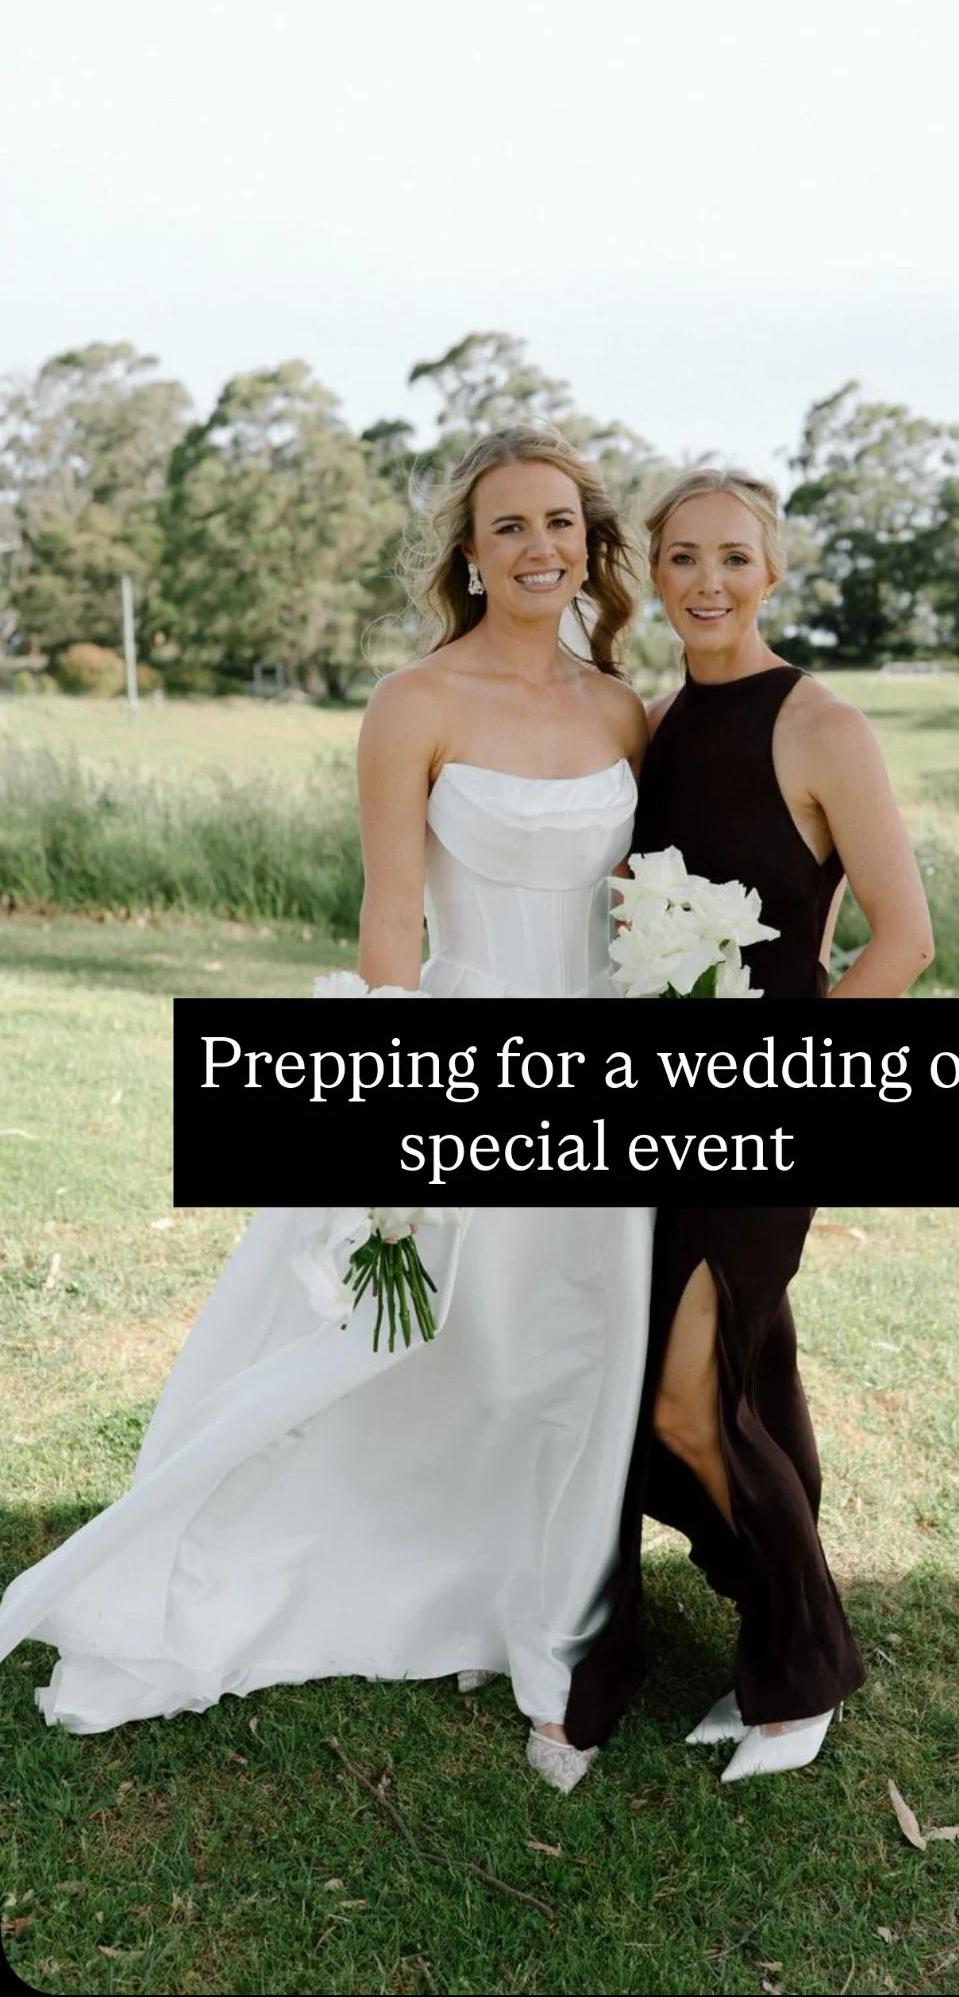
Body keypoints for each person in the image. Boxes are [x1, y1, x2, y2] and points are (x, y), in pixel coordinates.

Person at [0, 426, 653, 1794]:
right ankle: (298, 1569)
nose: (538, 548)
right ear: (467, 557)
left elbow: (635, 905)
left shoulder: (620, 710)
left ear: (591, 546)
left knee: (570, 1352)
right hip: (458, 1049)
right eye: (508, 526)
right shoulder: (414, 702)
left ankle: (538, 1621)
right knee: (387, 1337)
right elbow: (389, 917)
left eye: (560, 523)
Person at [565, 467, 935, 1782]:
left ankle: (804, 1662)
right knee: (725, 1379)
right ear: (651, 571)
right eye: (681, 556)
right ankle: (769, 1620)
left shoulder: (822, 725)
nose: (706, 581)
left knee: (685, 1401)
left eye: (732, 557)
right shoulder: (657, 723)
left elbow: (903, 940)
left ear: (771, 573)